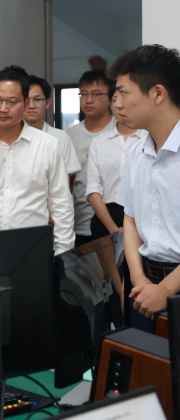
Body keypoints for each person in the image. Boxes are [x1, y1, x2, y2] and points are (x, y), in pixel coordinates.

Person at [0, 65, 75, 253]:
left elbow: (61, 204)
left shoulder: (48, 145)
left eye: (12, 102)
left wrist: (62, 252)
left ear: (25, 103)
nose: (3, 109)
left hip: (32, 249)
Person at [108, 45, 180, 327]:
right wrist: (139, 280)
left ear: (158, 93)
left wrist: (165, 290)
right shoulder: (138, 152)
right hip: (143, 286)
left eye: (124, 93)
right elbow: (130, 218)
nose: (117, 104)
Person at [85, 90, 146, 241]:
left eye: (124, 99)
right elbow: (93, 189)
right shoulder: (99, 141)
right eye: (114, 100)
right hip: (105, 218)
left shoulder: (148, 138)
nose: (119, 105)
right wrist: (112, 228)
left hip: (142, 218)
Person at [67, 70, 116, 246]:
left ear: (110, 98)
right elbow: (67, 182)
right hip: (79, 223)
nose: (88, 100)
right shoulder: (71, 134)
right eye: (84, 94)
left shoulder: (120, 130)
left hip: (115, 220)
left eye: (96, 94)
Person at [24, 75, 82, 182]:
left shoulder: (61, 137)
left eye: (37, 99)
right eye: (26, 100)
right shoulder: (9, 136)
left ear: (47, 103)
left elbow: (68, 178)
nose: (31, 105)